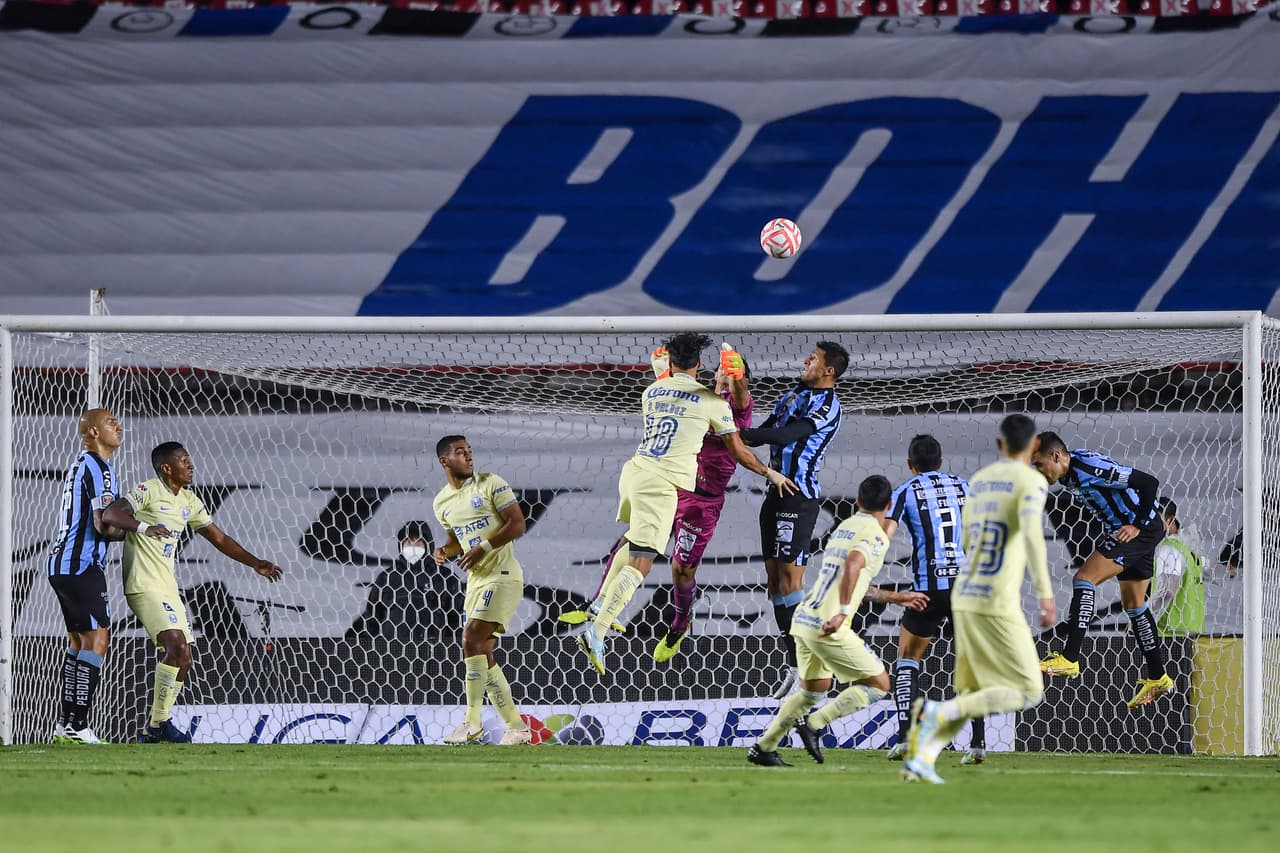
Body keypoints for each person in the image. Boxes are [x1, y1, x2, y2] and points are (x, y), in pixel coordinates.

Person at [576, 332, 796, 675]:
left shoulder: (732, 405)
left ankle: (679, 623)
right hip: (671, 486)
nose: (721, 378)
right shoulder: (704, 399)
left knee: (680, 568)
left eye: (728, 374)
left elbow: (740, 397)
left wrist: (737, 379)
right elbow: (681, 387)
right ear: (705, 368)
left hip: (700, 503)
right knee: (638, 548)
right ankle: (599, 614)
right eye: (720, 373)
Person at [903, 414, 1054, 785]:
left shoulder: (977, 482)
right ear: (1034, 446)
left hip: (945, 589)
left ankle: (918, 749)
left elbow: (965, 537)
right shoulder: (993, 484)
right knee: (1014, 682)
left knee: (938, 669)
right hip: (986, 593)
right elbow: (1028, 536)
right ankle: (961, 730)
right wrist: (1045, 595)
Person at [103, 442, 282, 743]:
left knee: (183, 657)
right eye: (183, 461)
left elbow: (219, 538)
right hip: (143, 586)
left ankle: (156, 725)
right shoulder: (148, 490)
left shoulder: (189, 500)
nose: (190, 465)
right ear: (166, 468)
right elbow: (111, 514)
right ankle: (159, 724)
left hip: (168, 588)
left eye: (189, 460)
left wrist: (256, 563)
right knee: (175, 645)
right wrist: (144, 528)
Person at [747, 475, 928, 767]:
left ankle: (764, 748)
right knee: (879, 685)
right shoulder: (876, 535)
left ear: (858, 501)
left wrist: (898, 598)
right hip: (829, 624)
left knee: (812, 691)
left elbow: (855, 581)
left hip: (804, 618)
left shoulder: (845, 528)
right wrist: (843, 612)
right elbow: (853, 566)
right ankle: (815, 724)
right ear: (890, 504)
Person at [1031, 432, 1174, 708]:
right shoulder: (1070, 472)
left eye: (1039, 464)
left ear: (1056, 456)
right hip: (1137, 530)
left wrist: (1137, 525)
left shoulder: (1088, 469)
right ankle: (1158, 676)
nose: (1038, 471)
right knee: (1135, 605)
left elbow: (1148, 482)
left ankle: (1070, 658)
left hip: (1136, 530)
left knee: (1084, 578)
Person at [739, 341, 848, 698]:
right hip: (775, 493)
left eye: (813, 358)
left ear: (829, 370)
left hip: (799, 497)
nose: (806, 360)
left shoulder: (830, 405)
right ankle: (795, 664)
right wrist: (735, 431)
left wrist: (733, 432)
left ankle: (815, 668)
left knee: (790, 582)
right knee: (774, 583)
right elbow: (769, 428)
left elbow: (786, 435)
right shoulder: (790, 396)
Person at [884, 434, 986, 765]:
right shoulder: (964, 486)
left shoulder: (906, 490)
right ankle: (978, 744)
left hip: (927, 589)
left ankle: (905, 738)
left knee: (907, 659)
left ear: (911, 465)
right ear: (942, 463)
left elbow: (884, 536)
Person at [432, 436, 532, 746]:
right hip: (476, 580)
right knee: (483, 653)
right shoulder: (441, 502)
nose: (469, 457)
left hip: (502, 574)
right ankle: (516, 727)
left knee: (470, 639)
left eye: (470, 452)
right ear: (445, 461)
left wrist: (483, 547)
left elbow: (517, 524)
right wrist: (444, 552)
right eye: (460, 453)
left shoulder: (490, 483)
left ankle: (471, 723)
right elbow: (456, 541)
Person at [46, 408, 130, 744]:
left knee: (79, 643)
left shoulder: (81, 465)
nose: (118, 426)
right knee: (98, 640)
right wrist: (135, 528)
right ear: (93, 432)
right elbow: (104, 524)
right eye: (111, 423)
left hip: (62, 564)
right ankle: (77, 726)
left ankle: (66, 724)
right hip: (82, 564)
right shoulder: (99, 466)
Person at [346, 520, 462, 643]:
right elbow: (372, 617)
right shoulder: (387, 578)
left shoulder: (445, 577)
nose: (413, 548)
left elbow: (457, 617)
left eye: (418, 543)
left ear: (428, 545)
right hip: (393, 651)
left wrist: (453, 648)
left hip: (433, 652)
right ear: (401, 546)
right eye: (408, 543)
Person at [1148, 498, 1206, 637]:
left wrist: (1143, 619)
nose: (1150, 523)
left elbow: (1167, 591)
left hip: (1169, 631)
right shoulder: (1188, 549)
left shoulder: (1169, 549)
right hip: (1193, 628)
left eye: (1156, 518)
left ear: (1170, 520)